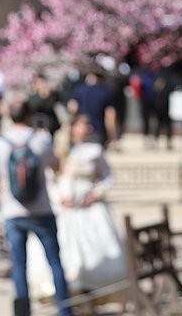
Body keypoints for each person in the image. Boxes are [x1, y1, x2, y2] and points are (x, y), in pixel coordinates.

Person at [0, 99, 74, 316]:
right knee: (55, 263)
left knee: (19, 265)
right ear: (29, 115)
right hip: (42, 209)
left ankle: (23, 311)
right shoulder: (41, 139)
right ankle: (65, 309)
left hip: (12, 212)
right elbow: (57, 166)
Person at [53, 115, 127, 299]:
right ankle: (70, 289)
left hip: (90, 207)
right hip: (67, 208)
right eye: (82, 124)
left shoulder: (94, 150)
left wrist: (96, 194)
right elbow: (50, 177)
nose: (86, 128)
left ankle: (97, 289)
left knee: (96, 247)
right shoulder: (61, 151)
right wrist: (59, 197)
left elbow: (108, 176)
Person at [67, 68, 117, 147]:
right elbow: (110, 116)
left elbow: (72, 108)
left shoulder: (80, 89)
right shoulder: (106, 92)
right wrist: (112, 137)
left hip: (81, 129)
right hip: (98, 130)